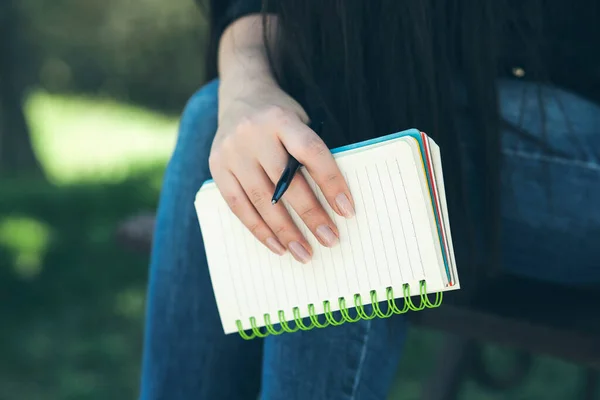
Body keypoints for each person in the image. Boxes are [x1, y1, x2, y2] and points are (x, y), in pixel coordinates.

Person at [139, 1, 600, 399]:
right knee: (216, 121)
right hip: (444, 122)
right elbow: (255, 7)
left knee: (348, 133)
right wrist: (245, 95)